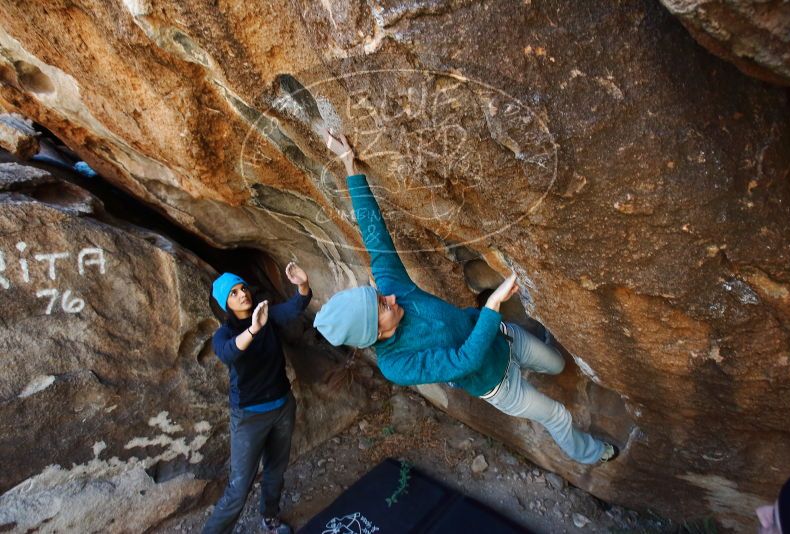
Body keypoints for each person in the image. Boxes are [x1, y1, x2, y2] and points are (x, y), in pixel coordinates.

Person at [313, 132, 617, 465]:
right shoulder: (396, 365)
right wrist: (491, 307)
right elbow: (464, 362)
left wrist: (350, 167)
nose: (389, 298)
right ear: (373, 333)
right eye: (383, 307)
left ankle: (536, 365)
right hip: (497, 384)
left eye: (379, 295)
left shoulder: (392, 288)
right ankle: (591, 454)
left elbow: (376, 238)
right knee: (557, 414)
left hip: (504, 338)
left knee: (558, 364)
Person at [202, 262, 312, 534]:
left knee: (276, 470)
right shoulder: (224, 334)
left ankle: (270, 518)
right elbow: (228, 353)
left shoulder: (268, 317)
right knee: (239, 488)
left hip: (282, 406)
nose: (242, 294)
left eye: (243, 288)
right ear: (226, 304)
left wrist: (302, 283)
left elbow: (297, 305)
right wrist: (253, 329)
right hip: (249, 416)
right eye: (234, 293)